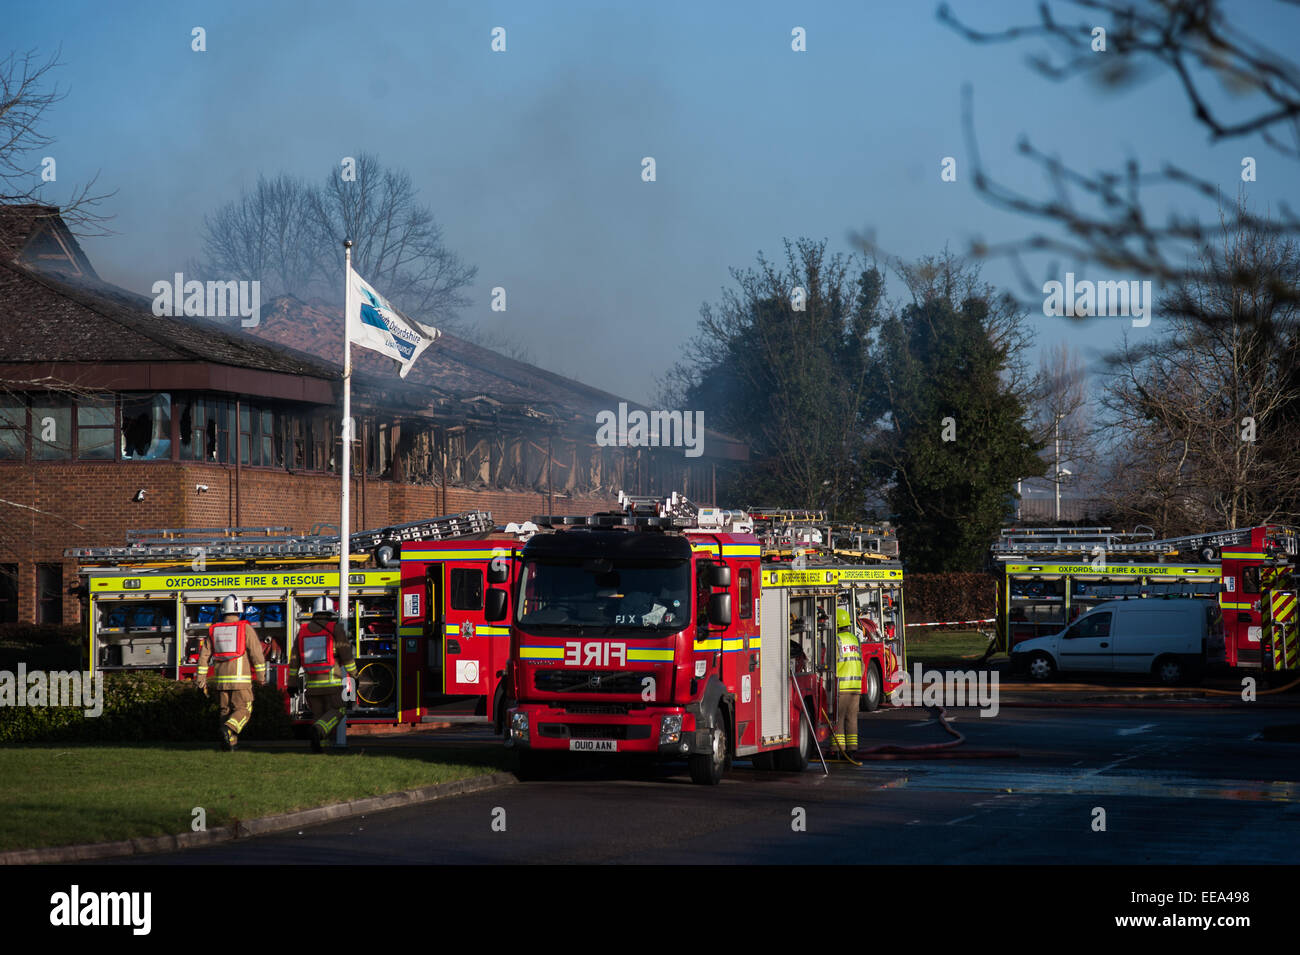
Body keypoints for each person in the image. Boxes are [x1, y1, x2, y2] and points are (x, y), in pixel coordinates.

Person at [196, 595, 266, 752]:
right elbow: (256, 654)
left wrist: (200, 679)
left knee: (225, 711)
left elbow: (204, 656)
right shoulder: (245, 628)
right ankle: (228, 730)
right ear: (240, 610)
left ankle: (230, 744)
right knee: (244, 709)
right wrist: (261, 677)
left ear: (223, 611)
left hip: (221, 681)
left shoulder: (215, 630)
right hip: (241, 681)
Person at [289, 596, 357, 752]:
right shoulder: (335, 629)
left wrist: (292, 683)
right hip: (333, 685)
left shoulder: (303, 632)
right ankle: (317, 731)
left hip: (311, 687)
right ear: (330, 613)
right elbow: (346, 656)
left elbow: (294, 661)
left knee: (320, 718)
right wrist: (355, 676)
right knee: (338, 711)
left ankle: (319, 748)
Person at [833, 606, 863, 755]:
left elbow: (834, 662)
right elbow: (861, 664)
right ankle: (852, 749)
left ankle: (838, 750)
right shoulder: (855, 639)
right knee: (852, 719)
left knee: (838, 719)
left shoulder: (837, 640)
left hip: (842, 687)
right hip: (855, 687)